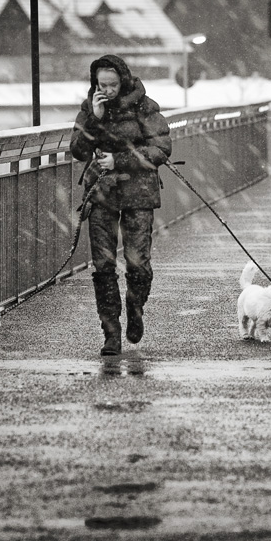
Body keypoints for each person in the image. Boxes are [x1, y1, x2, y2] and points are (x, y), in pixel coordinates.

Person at [70, 55, 172, 356]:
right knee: (103, 266)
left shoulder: (143, 105)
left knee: (138, 263)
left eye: (113, 85)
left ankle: (135, 307)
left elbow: (162, 148)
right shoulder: (91, 108)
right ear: (95, 83)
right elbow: (78, 150)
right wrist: (94, 119)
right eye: (102, 85)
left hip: (139, 193)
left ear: (123, 81)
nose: (108, 90)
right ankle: (111, 333)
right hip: (102, 192)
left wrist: (120, 159)